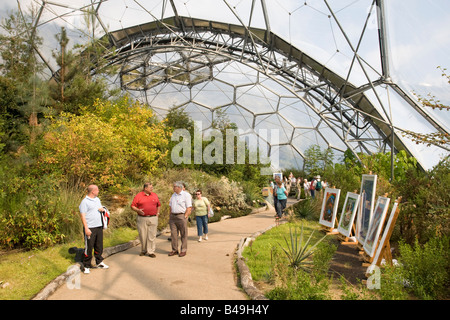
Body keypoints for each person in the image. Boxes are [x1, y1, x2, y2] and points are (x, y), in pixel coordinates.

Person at [79, 184, 109, 274]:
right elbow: (83, 216)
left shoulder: (97, 200)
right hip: (90, 227)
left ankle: (99, 262)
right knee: (89, 247)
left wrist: (102, 210)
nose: (98, 191)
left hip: (98, 226)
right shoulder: (84, 202)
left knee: (99, 245)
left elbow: (98, 209)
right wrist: (86, 228)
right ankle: (86, 265)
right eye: (97, 190)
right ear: (93, 191)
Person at [131, 182, 161, 258]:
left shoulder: (154, 195)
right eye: (150, 187)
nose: (152, 188)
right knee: (143, 235)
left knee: (152, 235)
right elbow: (133, 206)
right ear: (145, 188)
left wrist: (158, 213)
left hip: (153, 218)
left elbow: (158, 205)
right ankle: (143, 250)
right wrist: (138, 210)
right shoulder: (138, 196)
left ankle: (150, 251)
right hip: (142, 218)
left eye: (152, 187)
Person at [168, 181, 192, 257]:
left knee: (183, 234)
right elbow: (170, 206)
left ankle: (183, 250)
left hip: (181, 216)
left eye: (174, 186)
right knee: (173, 235)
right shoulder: (173, 195)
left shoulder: (186, 195)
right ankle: (174, 250)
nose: (173, 188)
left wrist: (185, 216)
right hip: (173, 217)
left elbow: (189, 207)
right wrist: (170, 214)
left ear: (179, 187)